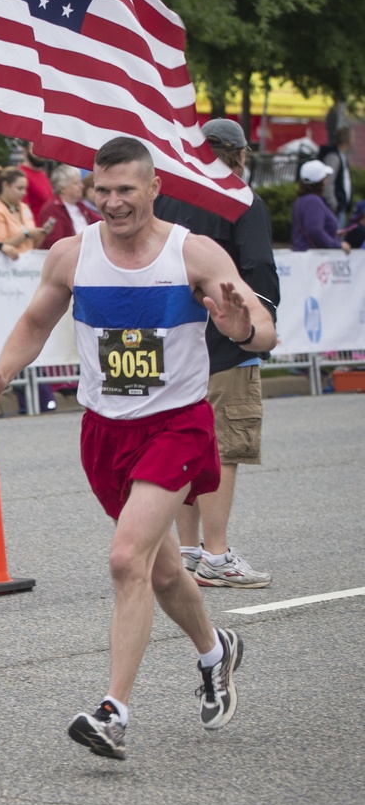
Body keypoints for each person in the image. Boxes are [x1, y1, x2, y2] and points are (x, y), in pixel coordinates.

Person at [0, 136, 277, 761]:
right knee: (161, 570)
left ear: (154, 187)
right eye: (102, 190)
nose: (112, 203)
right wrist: (2, 373)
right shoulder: (70, 255)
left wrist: (239, 325)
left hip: (177, 426)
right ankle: (217, 652)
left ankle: (113, 710)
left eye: (125, 191)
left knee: (124, 560)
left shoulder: (192, 251)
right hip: (105, 432)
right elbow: (36, 323)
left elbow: (262, 327)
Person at [155, 118, 281, 589]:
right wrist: (261, 327)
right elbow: (259, 273)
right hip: (226, 342)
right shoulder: (242, 202)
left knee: (184, 446)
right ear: (240, 156)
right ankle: (217, 553)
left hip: (172, 340)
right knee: (223, 448)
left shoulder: (164, 199)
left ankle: (188, 551)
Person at [0, 165, 51, 254]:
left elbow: (32, 246)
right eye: (19, 188)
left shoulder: (24, 208)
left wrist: (43, 234)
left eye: (25, 189)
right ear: (5, 185)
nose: (24, 193)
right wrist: (26, 234)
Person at [291, 160, 350, 253]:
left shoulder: (302, 200)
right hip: (313, 260)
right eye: (325, 177)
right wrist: (337, 245)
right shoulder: (313, 201)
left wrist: (332, 233)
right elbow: (315, 230)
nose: (327, 180)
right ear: (321, 181)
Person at [37, 164, 100, 248]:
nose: (82, 186)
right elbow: (55, 244)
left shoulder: (79, 205)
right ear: (62, 188)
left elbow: (100, 223)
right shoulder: (52, 209)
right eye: (76, 183)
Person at [319, 126, 353, 226]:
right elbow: (328, 181)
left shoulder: (343, 157)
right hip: (335, 208)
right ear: (347, 139)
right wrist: (333, 204)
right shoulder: (333, 157)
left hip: (341, 207)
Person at [17, 140, 53, 219]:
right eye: (35, 148)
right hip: (34, 229)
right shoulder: (21, 176)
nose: (39, 152)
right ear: (25, 151)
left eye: (42, 148)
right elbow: (22, 209)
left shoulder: (42, 174)